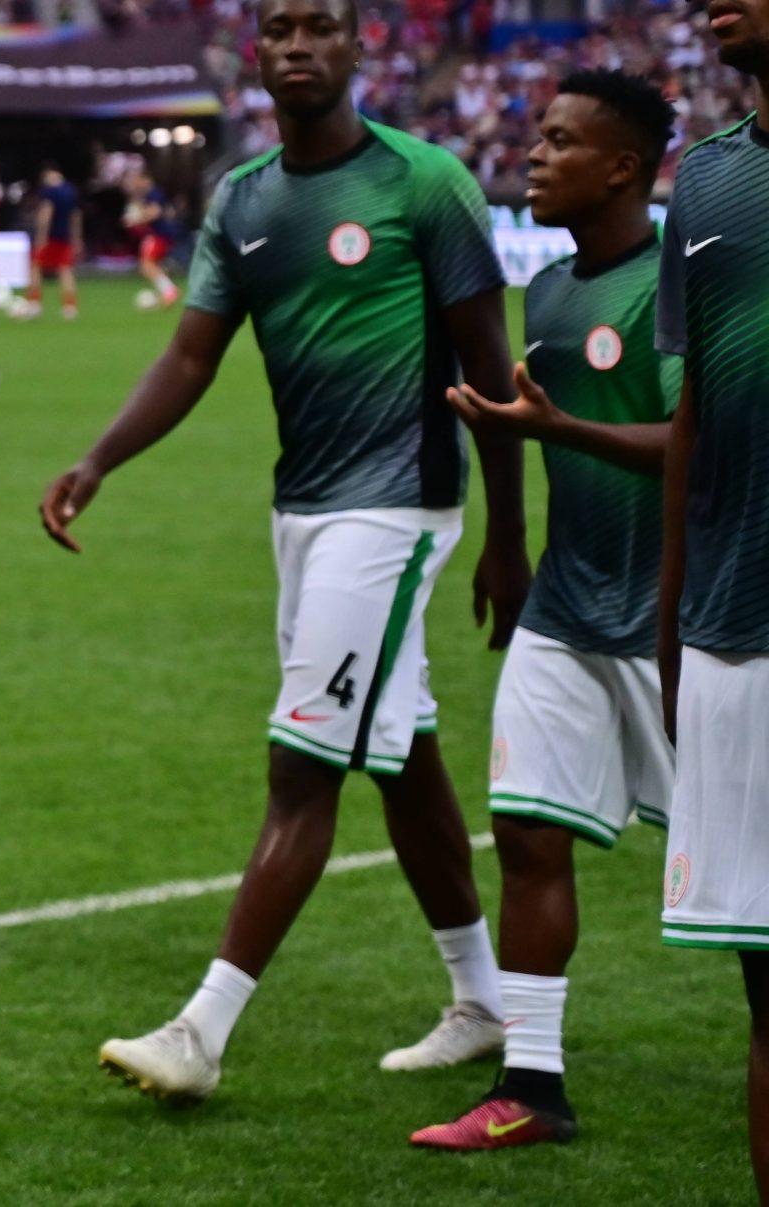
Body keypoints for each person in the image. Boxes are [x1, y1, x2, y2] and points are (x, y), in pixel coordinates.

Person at [40, 0, 531, 1105]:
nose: (299, 45)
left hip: (396, 507)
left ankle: (200, 1030)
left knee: (302, 764)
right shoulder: (243, 198)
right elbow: (191, 354)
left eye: (321, 28)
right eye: (279, 30)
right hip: (302, 510)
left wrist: (506, 537)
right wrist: (98, 460)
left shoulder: (425, 182)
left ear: (359, 47)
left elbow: (488, 367)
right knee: (400, 752)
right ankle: (484, 998)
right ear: (253, 55)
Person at [407, 71, 679, 1152]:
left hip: (681, 619)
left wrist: (560, 430)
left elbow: (698, 444)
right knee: (525, 834)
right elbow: (534, 421)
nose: (533, 153)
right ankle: (531, 1085)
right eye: (536, 134)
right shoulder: (554, 288)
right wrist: (509, 543)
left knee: (742, 871)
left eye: (561, 141)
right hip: (567, 607)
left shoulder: (680, 282)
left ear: (622, 168)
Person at [658, 0, 769, 1202]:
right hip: (734, 632)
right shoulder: (708, 175)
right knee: (766, 990)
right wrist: (671, 624)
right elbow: (691, 416)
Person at [28, 163, 82, 321]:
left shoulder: (49, 191)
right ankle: (70, 306)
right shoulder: (71, 191)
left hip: (50, 237)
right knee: (65, 270)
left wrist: (41, 236)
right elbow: (76, 216)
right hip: (65, 236)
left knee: (36, 266)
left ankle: (35, 303)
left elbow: (46, 213)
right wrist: (77, 238)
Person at [124, 166, 181, 309]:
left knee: (146, 265)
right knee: (151, 266)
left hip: (159, 235)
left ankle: (170, 291)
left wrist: (135, 219)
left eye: (137, 180)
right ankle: (167, 292)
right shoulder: (148, 195)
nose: (135, 183)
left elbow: (155, 213)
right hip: (159, 234)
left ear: (145, 179)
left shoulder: (153, 193)